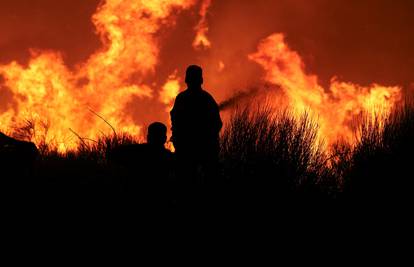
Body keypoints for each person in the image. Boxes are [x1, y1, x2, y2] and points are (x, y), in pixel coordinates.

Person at [170, 65, 222, 184]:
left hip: (192, 149)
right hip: (198, 149)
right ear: (201, 80)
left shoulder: (182, 98)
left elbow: (175, 120)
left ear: (186, 80)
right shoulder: (207, 99)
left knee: (187, 181)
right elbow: (217, 125)